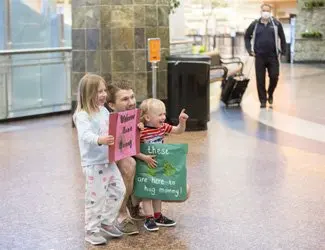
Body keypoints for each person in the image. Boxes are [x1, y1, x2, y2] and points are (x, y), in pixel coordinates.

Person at [73, 74, 126, 245]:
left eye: (104, 91)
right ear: (88, 94)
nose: (103, 94)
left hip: (108, 160)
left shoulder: (104, 110)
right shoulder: (82, 115)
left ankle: (106, 221)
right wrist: (100, 139)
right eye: (98, 92)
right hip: (94, 164)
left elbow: (113, 128)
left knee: (119, 190)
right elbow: (85, 135)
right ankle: (91, 230)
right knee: (95, 198)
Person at [135, 98, 189, 231]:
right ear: (147, 117)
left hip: (158, 164)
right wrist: (144, 158)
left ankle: (158, 216)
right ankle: (149, 217)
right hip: (144, 164)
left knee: (157, 190)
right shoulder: (141, 131)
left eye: (164, 114)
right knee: (147, 191)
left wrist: (182, 122)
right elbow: (132, 148)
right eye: (160, 115)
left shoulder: (162, 127)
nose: (164, 117)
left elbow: (178, 130)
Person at [105, 81, 142, 235]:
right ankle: (121, 214)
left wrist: (141, 131)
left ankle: (133, 203)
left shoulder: (136, 116)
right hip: (108, 160)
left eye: (132, 97)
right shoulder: (105, 119)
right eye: (125, 99)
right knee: (129, 164)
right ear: (112, 105)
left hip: (133, 155)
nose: (131, 102)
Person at [244, 3, 286, 108]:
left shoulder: (276, 24)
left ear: (270, 12)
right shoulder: (255, 24)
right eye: (264, 10)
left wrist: (284, 51)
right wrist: (249, 50)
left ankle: (270, 93)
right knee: (260, 79)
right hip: (259, 56)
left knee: (274, 76)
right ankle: (263, 100)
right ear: (261, 11)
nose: (265, 12)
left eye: (267, 11)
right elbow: (246, 36)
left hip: (273, 56)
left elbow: (282, 37)